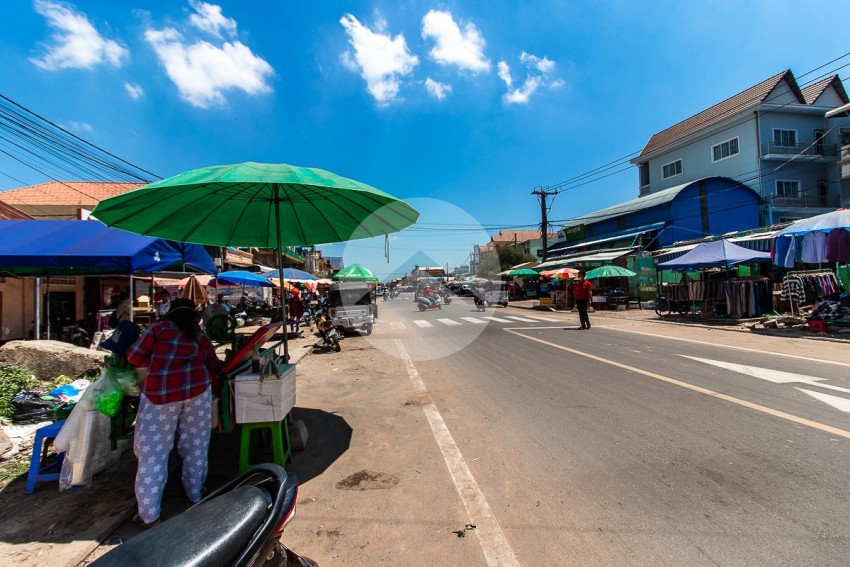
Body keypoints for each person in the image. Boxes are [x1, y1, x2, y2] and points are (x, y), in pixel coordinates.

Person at [125, 298, 223, 528]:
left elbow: (134, 357)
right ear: (192, 316)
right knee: (196, 447)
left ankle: (149, 516)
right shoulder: (199, 335)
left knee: (153, 454)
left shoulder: (157, 331)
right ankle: (194, 496)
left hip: (159, 396)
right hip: (197, 393)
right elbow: (214, 364)